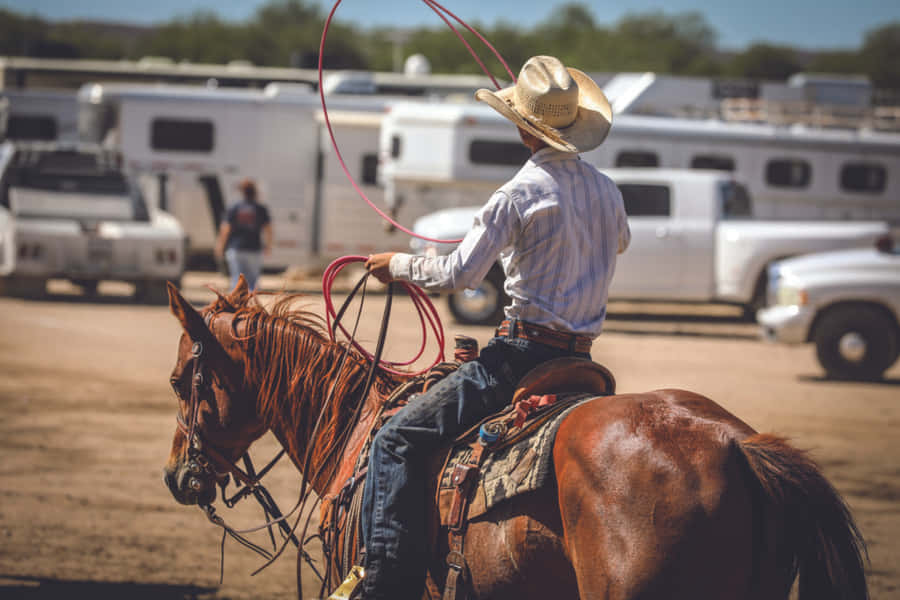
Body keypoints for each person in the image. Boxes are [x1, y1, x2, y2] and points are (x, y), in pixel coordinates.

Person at [356, 55, 631, 599]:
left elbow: (460, 273)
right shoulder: (608, 192)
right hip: (584, 362)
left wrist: (398, 266)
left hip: (520, 358)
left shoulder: (518, 194)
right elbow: (619, 242)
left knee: (393, 440)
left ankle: (383, 584)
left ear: (522, 128)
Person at [214, 178, 272, 291]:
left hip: (236, 248)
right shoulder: (260, 208)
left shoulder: (234, 207)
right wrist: (268, 245)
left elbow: (225, 229)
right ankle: (251, 306)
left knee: (236, 280)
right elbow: (269, 229)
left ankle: (236, 306)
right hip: (254, 249)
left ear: (242, 192)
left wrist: (220, 246)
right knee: (253, 281)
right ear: (255, 192)